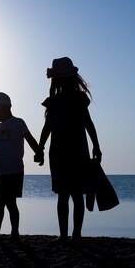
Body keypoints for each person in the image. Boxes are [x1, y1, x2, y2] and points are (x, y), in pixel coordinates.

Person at [37, 57, 102, 243]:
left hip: (67, 151)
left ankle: (72, 234)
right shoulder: (62, 100)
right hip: (69, 150)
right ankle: (70, 234)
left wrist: (96, 145)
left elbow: (87, 123)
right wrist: (40, 148)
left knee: (68, 194)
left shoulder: (70, 100)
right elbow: (48, 127)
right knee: (69, 194)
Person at [0, 92, 43, 242]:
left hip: (15, 171)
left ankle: (15, 233)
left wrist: (39, 153)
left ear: (3, 108)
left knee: (11, 203)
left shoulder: (18, 123)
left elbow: (30, 139)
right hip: (0, 171)